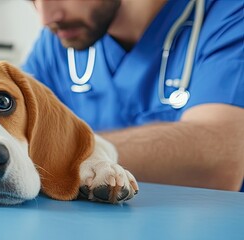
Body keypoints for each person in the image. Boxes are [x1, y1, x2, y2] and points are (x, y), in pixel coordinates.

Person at [22, 0, 243, 191]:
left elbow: (219, 160)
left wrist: (81, 153)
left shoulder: (228, 14)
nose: (45, 17)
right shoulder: (59, 42)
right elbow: (11, 129)